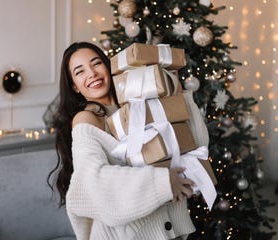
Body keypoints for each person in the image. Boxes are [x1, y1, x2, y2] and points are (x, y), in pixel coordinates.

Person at [47, 41, 196, 240]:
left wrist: (174, 91)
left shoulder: (136, 103)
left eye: (96, 63)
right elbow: (93, 179)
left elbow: (186, 137)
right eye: (80, 71)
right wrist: (163, 181)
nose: (92, 73)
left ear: (108, 66)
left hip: (166, 227)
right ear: (74, 85)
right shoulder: (86, 119)